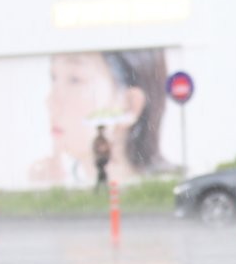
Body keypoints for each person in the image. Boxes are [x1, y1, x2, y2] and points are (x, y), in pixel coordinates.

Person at [30, 49, 171, 185]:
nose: (51, 102)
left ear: (130, 104)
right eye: (53, 78)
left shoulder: (161, 192)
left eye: (74, 80)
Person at [92, 126, 111, 193]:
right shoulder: (97, 140)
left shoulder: (105, 140)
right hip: (99, 159)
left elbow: (108, 150)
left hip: (104, 158)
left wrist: (106, 148)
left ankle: (97, 189)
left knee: (101, 173)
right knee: (102, 173)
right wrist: (101, 149)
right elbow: (95, 149)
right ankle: (102, 188)